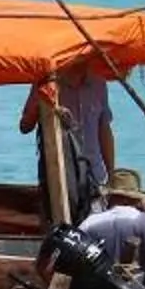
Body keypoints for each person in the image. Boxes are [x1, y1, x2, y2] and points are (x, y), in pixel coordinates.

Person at [19, 62, 117, 219]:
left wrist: (111, 174)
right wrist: (42, 104)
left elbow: (104, 129)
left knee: (96, 226)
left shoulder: (99, 83)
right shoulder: (45, 84)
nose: (85, 60)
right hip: (59, 178)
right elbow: (25, 126)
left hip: (95, 175)